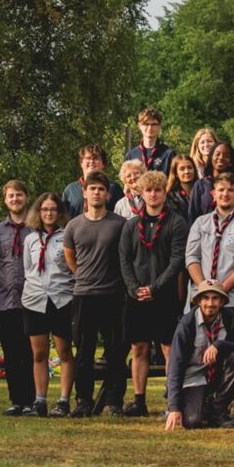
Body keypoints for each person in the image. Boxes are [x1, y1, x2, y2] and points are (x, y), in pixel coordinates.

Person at [186, 173, 234, 417]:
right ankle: (206, 392)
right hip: (204, 299)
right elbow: (192, 257)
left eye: (230, 190)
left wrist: (222, 289)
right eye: (221, 190)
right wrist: (204, 289)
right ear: (213, 194)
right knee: (204, 346)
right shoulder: (201, 223)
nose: (225, 194)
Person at [119, 170, 188, 416]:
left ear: (164, 192)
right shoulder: (130, 226)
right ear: (141, 193)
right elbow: (124, 260)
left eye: (157, 190)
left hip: (165, 295)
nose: (153, 194)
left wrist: (155, 287)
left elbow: (177, 260)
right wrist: (134, 288)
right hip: (136, 296)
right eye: (148, 190)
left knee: (169, 348)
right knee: (139, 348)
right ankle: (139, 400)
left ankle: (172, 402)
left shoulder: (177, 223)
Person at [62, 172, 129, 418]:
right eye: (93, 189)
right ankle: (83, 401)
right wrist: (84, 275)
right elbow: (70, 256)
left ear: (108, 194)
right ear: (85, 193)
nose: (97, 193)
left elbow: (126, 257)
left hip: (113, 295)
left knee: (115, 351)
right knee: (84, 352)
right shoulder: (74, 225)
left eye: (101, 189)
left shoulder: (120, 224)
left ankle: (114, 401)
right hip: (84, 295)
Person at [164, 280, 234, 430]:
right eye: (205, 298)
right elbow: (175, 367)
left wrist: (219, 345)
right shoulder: (187, 324)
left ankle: (218, 411)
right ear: (198, 301)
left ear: (222, 301)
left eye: (215, 298)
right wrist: (174, 407)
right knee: (192, 421)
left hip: (216, 373)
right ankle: (198, 406)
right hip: (193, 377)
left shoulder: (229, 317)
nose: (210, 303)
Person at [20, 193, 75, 418]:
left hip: (62, 299)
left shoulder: (67, 237)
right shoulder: (31, 239)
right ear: (38, 212)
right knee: (39, 354)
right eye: (45, 209)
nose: (49, 213)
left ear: (60, 213)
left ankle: (63, 401)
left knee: (64, 352)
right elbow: (28, 269)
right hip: (35, 300)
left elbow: (73, 266)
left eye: (53, 209)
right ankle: (40, 401)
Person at [0, 180, 35, 416]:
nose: (15, 199)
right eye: (11, 196)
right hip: (5, 300)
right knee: (11, 353)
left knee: (29, 352)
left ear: (26, 197)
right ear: (5, 200)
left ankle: (31, 400)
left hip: (31, 299)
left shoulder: (36, 227)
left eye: (19, 194)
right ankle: (16, 400)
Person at [62, 144, 124, 217]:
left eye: (96, 158)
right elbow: (63, 219)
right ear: (81, 163)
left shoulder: (114, 188)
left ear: (103, 164)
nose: (92, 161)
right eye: (88, 158)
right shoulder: (70, 190)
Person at [188, 141, 234, 223]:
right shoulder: (201, 185)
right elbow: (192, 215)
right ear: (211, 157)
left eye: (226, 156)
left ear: (231, 161)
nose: (221, 158)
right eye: (217, 154)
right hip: (205, 232)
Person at [124, 106, 175, 175]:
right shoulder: (131, 155)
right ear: (139, 126)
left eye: (154, 124)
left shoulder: (169, 154)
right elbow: (126, 182)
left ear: (159, 126)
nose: (150, 128)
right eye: (146, 124)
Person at [165, 154, 198, 219]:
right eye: (182, 169)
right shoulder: (170, 196)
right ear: (176, 173)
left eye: (190, 168)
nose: (187, 171)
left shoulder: (202, 192)